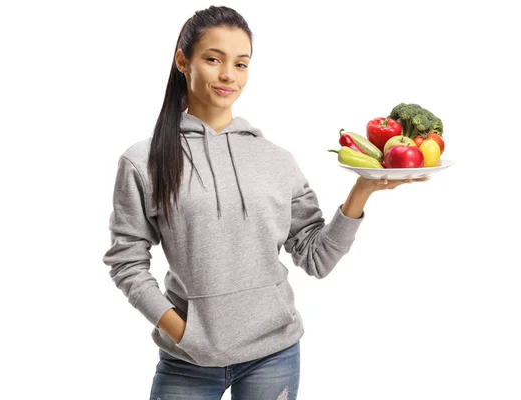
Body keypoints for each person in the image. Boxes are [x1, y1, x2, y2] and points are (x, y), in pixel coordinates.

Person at [102, 5, 427, 400]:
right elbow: (126, 262)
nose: (228, 76)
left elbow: (316, 258)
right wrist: (181, 331)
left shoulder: (276, 159)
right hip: (187, 360)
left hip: (274, 354)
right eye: (213, 59)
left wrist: (361, 192)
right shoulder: (144, 160)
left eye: (241, 64)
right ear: (183, 62)